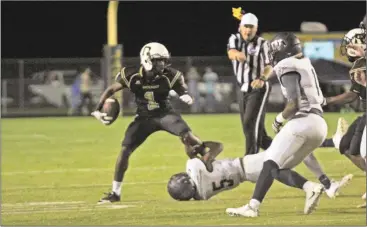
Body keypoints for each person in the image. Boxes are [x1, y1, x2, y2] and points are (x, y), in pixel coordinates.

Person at [91, 42, 222, 204]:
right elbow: (111, 90)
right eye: (159, 60)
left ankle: (212, 161)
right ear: (147, 60)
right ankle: (115, 193)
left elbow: (182, 88)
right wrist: (98, 109)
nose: (163, 64)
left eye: (163, 60)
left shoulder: (170, 74)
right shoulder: (131, 74)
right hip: (144, 118)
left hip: (165, 114)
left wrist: (185, 94)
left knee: (187, 136)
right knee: (124, 150)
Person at [167, 140, 352, 203]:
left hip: (248, 174)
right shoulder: (197, 169)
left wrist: (192, 151)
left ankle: (319, 185)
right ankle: (333, 143)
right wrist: (200, 146)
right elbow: (218, 147)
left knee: (282, 166)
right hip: (247, 165)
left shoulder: (201, 195)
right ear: (184, 181)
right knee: (295, 146)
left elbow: (200, 161)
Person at [227, 11, 273, 155]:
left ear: (256, 28)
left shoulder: (263, 44)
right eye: (245, 26)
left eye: (251, 27)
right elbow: (231, 52)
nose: (248, 30)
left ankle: (250, 160)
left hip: (258, 88)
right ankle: (281, 154)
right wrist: (237, 54)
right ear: (240, 27)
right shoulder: (234, 38)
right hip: (243, 88)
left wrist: (262, 79)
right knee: (258, 133)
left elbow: (269, 66)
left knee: (249, 125)